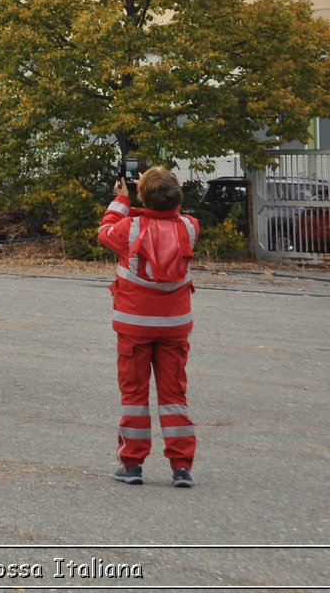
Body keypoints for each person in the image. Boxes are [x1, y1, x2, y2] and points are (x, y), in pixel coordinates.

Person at [97, 166, 198, 489]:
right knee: (174, 395)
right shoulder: (189, 227)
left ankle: (132, 464)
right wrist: (153, 189)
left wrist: (121, 199)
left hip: (135, 326)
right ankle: (182, 467)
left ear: (144, 197)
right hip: (174, 327)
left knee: (134, 395)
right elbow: (170, 213)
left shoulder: (130, 227)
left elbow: (105, 232)